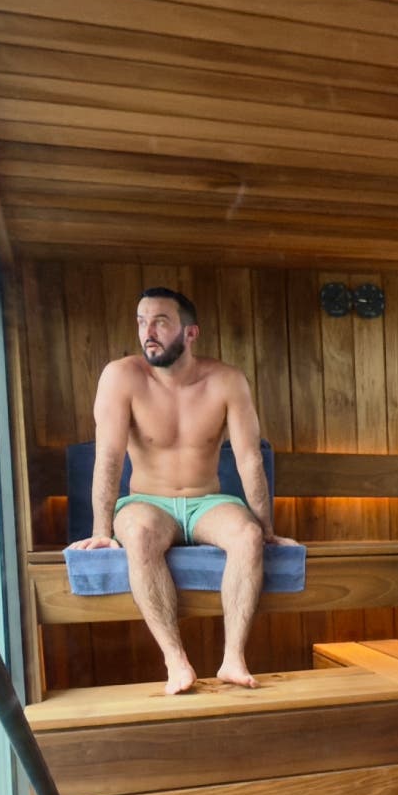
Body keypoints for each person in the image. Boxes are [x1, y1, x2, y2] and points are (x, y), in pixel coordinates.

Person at [67, 287, 295, 694]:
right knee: (138, 534)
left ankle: (233, 658)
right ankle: (176, 661)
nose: (148, 332)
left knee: (247, 536)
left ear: (190, 333)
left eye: (160, 322)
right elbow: (109, 457)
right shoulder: (122, 377)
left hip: (207, 501)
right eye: (142, 322)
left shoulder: (227, 381)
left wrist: (266, 529)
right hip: (146, 501)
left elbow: (249, 460)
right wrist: (102, 530)